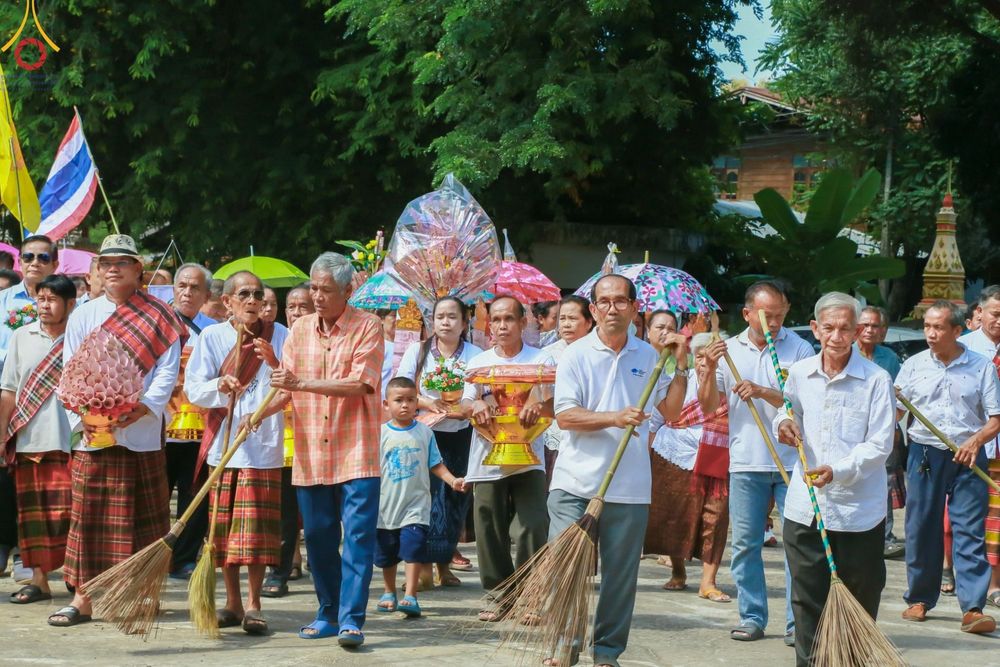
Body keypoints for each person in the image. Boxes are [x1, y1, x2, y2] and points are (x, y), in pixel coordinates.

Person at [548, 274, 685, 667]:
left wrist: (681, 367)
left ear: (633, 308)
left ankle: (607, 652)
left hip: (629, 486)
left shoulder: (649, 355)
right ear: (592, 310)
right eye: (603, 302)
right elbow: (566, 416)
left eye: (620, 301)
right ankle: (564, 645)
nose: (612, 308)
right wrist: (614, 418)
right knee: (566, 570)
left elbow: (672, 413)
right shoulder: (575, 355)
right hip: (575, 482)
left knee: (620, 578)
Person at [50, 234, 185, 628]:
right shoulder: (83, 315)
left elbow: (167, 372)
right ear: (96, 270)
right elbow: (69, 372)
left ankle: (141, 593)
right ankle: (83, 598)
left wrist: (142, 407)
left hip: (140, 433)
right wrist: (88, 418)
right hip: (94, 435)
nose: (112, 268)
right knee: (87, 517)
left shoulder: (159, 315)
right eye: (106, 262)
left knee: (146, 516)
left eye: (122, 262)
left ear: (137, 269)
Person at [775, 292, 896, 666]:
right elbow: (787, 405)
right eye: (828, 327)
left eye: (846, 328)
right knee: (806, 599)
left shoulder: (876, 379)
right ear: (815, 329)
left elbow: (880, 443)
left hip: (859, 511)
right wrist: (783, 422)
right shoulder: (799, 372)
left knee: (861, 597)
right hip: (806, 508)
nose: (837, 336)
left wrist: (837, 470)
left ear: (859, 331)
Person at [271, 251, 383, 647]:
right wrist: (258, 413)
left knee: (357, 538)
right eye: (314, 288)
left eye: (326, 290)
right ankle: (328, 612)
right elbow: (285, 386)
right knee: (317, 536)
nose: (317, 296)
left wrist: (300, 384)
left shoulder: (369, 327)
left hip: (357, 450)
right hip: (311, 454)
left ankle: (352, 619)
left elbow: (360, 384)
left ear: (348, 291)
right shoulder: (298, 329)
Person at [699, 280, 813, 644]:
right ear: (747, 313)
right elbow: (707, 405)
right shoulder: (729, 349)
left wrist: (762, 391)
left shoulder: (800, 348)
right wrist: (708, 368)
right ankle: (752, 616)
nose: (774, 322)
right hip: (746, 459)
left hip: (792, 460)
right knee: (746, 543)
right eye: (766, 315)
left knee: (797, 544)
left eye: (780, 315)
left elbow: (803, 401)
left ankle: (798, 623)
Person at [186, 270, 288, 635]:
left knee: (258, 532)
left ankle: (255, 603)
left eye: (257, 295)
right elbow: (194, 389)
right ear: (227, 301)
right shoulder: (212, 337)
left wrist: (272, 371)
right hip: (224, 446)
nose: (252, 301)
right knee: (224, 533)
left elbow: (290, 385)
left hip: (263, 446)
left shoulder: (281, 335)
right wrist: (221, 384)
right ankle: (231, 602)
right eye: (243, 294)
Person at [897, 300, 1000, 633]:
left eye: (938, 327)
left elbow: (996, 418)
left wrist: (975, 442)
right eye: (927, 326)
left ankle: (972, 607)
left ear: (958, 330)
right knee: (920, 526)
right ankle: (919, 598)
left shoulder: (981, 366)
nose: (930, 333)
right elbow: (895, 410)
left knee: (969, 529)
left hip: (969, 456)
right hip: (924, 454)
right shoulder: (912, 365)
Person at [462, 295, 554, 621]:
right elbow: (461, 403)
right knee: (488, 527)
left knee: (533, 524)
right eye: (497, 320)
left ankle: (529, 595)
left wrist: (540, 405)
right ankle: (499, 595)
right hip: (487, 458)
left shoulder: (543, 360)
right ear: (489, 325)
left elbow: (555, 402)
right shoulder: (477, 363)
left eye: (509, 319)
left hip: (529, 457)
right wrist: (475, 404)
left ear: (523, 323)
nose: (503, 325)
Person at [397, 297, 482, 587]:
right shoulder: (418, 351)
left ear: (465, 321)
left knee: (455, 499)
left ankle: (444, 563)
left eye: (452, 317)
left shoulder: (475, 353)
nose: (445, 322)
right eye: (440, 316)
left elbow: (480, 390)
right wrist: (426, 401)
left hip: (462, 433)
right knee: (425, 499)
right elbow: (402, 386)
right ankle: (420, 564)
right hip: (425, 433)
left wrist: (464, 405)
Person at [0, 275, 75, 604]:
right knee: (32, 515)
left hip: (72, 439)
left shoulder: (81, 337)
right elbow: (9, 390)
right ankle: (40, 581)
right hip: (30, 439)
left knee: (70, 513)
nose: (44, 305)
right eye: (40, 299)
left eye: (52, 299)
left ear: (70, 305)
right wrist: (2, 433)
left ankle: (76, 577)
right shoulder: (20, 337)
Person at [647, 331, 732, 603]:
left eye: (711, 356)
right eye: (701, 356)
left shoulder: (732, 382)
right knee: (675, 515)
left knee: (715, 519)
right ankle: (678, 570)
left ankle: (708, 581)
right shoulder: (682, 382)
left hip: (717, 458)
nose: (705, 362)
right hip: (673, 456)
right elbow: (658, 418)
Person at [375, 377, 467, 617]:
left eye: (410, 400)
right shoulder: (380, 433)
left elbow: (436, 464)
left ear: (418, 402)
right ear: (386, 404)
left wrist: (452, 480)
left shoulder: (424, 432)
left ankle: (411, 595)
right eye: (399, 400)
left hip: (416, 506)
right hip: (385, 508)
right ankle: (388, 592)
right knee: (387, 553)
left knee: (413, 549)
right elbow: (371, 468)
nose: (405, 405)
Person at [165, 263, 217, 580]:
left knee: (195, 496)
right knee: (156, 497)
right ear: (173, 289)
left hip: (200, 429)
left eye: (195, 287)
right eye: (182, 285)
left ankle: (184, 558)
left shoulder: (213, 331)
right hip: (161, 428)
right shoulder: (156, 324)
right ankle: (155, 554)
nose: (187, 292)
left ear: (206, 294)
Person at [263, 283, 313, 598]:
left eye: (302, 306)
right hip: (282, 435)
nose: (295, 312)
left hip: (315, 433)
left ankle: (312, 565)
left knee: (316, 511)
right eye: (291, 306)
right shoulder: (278, 337)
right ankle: (279, 570)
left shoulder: (322, 340)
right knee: (283, 508)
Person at [958, 286, 1000, 606]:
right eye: (995, 314)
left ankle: (994, 585)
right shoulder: (963, 348)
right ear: (980, 313)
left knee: (997, 520)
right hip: (970, 447)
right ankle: (965, 581)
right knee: (971, 519)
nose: (999, 321)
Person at [855, 305, 906, 559]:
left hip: (883, 432)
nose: (869, 330)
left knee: (882, 483)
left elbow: (900, 399)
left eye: (875, 326)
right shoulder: (846, 353)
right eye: (864, 324)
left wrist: (892, 425)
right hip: (851, 431)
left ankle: (883, 536)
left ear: (882, 331)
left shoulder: (889, 358)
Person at [542, 295, 595, 481]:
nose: (566, 324)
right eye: (562, 319)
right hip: (554, 432)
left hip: (589, 430)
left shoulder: (598, 353)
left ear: (589, 322)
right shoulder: (547, 354)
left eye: (572, 319)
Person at [0, 235, 60, 367]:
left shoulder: (66, 305)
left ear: (55, 265)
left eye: (43, 258)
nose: (35, 263)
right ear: (20, 262)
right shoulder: (2, 300)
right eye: (28, 257)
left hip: (47, 381)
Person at [377, 308, 396, 401]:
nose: (399, 320)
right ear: (382, 319)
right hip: (381, 402)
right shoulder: (377, 346)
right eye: (394, 315)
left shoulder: (412, 347)